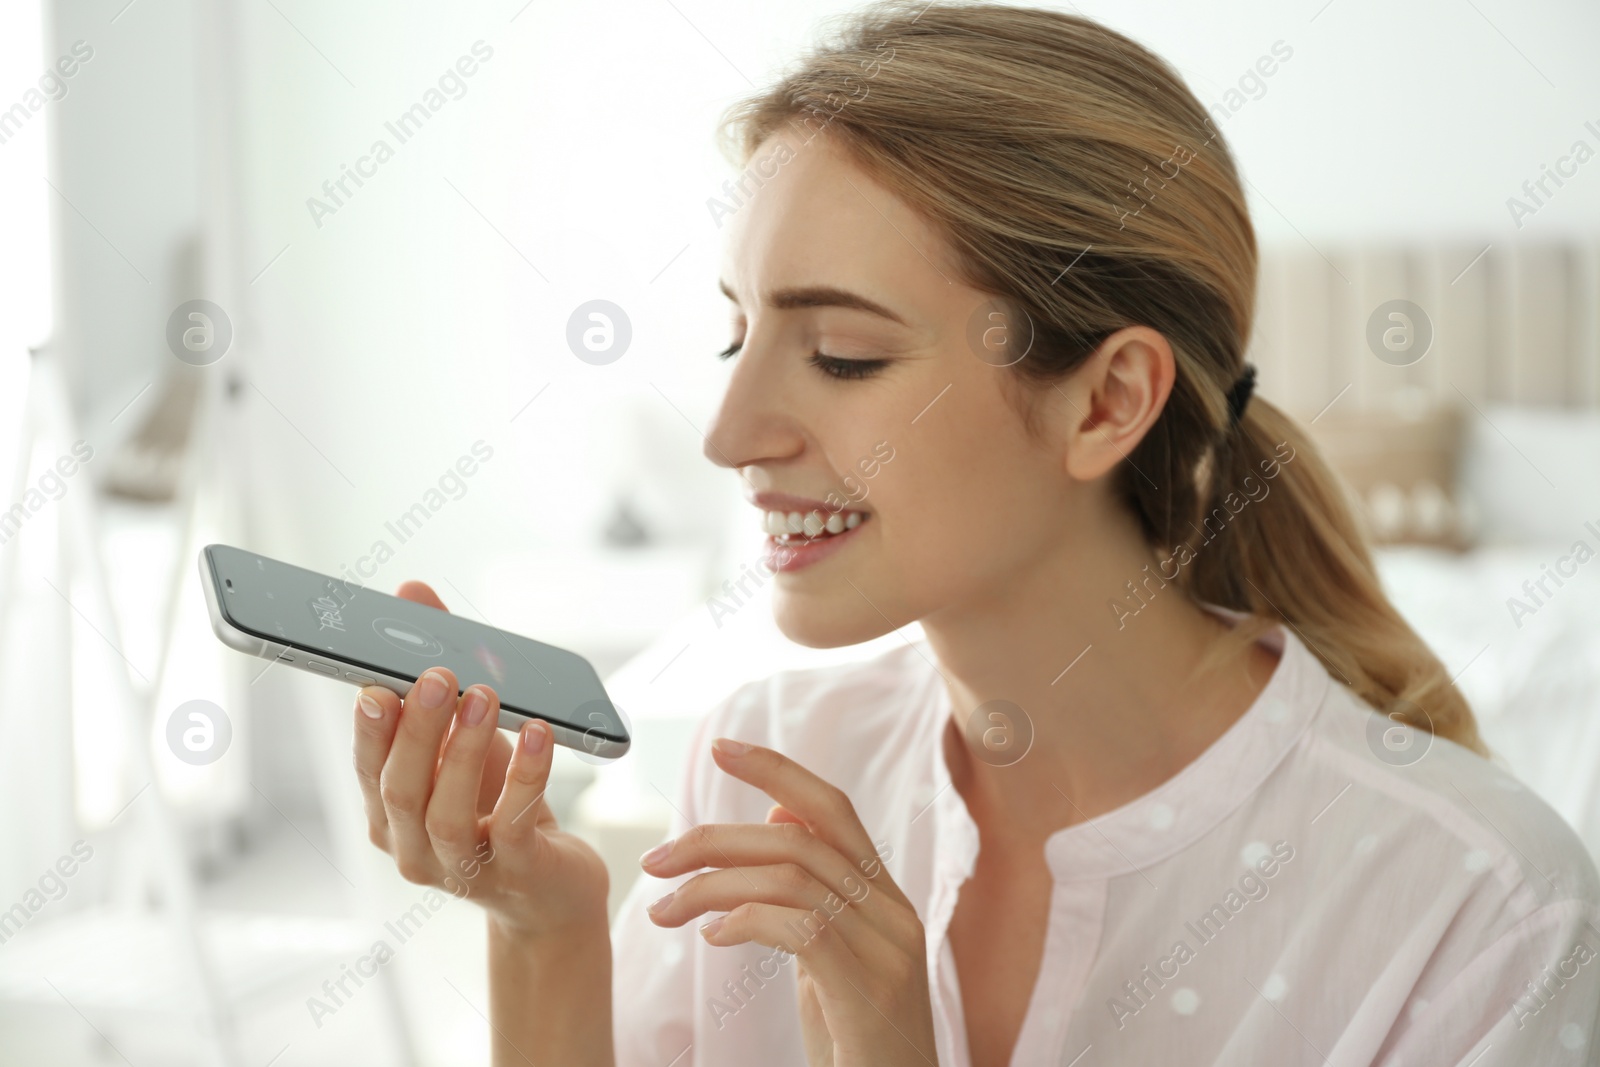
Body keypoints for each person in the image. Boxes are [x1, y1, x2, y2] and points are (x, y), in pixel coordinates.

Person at [348, 3, 1600, 1064]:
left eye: (843, 354)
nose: (728, 432)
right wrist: (541, 928)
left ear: (1107, 400)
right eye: (737, 333)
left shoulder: (1480, 911)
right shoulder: (769, 753)